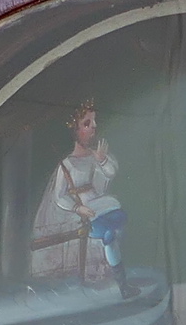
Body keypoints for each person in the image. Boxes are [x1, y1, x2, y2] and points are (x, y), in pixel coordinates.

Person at [28, 102, 120, 287]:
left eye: (94, 123)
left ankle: (111, 277)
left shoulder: (97, 158)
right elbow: (59, 196)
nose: (93, 127)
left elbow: (111, 172)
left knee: (110, 223)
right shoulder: (67, 164)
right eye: (87, 124)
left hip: (96, 208)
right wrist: (78, 208)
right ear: (75, 130)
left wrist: (102, 160)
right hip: (74, 213)